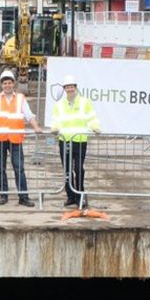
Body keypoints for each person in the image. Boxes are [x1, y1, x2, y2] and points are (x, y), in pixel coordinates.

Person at [0, 69, 43, 207]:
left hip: (15, 138)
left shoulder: (20, 98)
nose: (7, 85)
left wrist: (36, 127)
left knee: (19, 168)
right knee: (0, 168)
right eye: (5, 83)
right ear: (1, 85)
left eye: (9, 83)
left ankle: (23, 196)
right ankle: (3, 195)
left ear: (14, 84)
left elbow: (29, 115)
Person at [52, 75, 100, 208]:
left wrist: (95, 126)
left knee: (79, 169)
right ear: (64, 89)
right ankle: (70, 197)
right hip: (65, 141)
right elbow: (56, 119)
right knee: (67, 170)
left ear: (76, 88)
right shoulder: (59, 105)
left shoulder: (85, 102)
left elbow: (91, 117)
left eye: (72, 86)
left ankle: (80, 196)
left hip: (79, 141)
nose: (70, 89)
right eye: (67, 87)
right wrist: (54, 128)